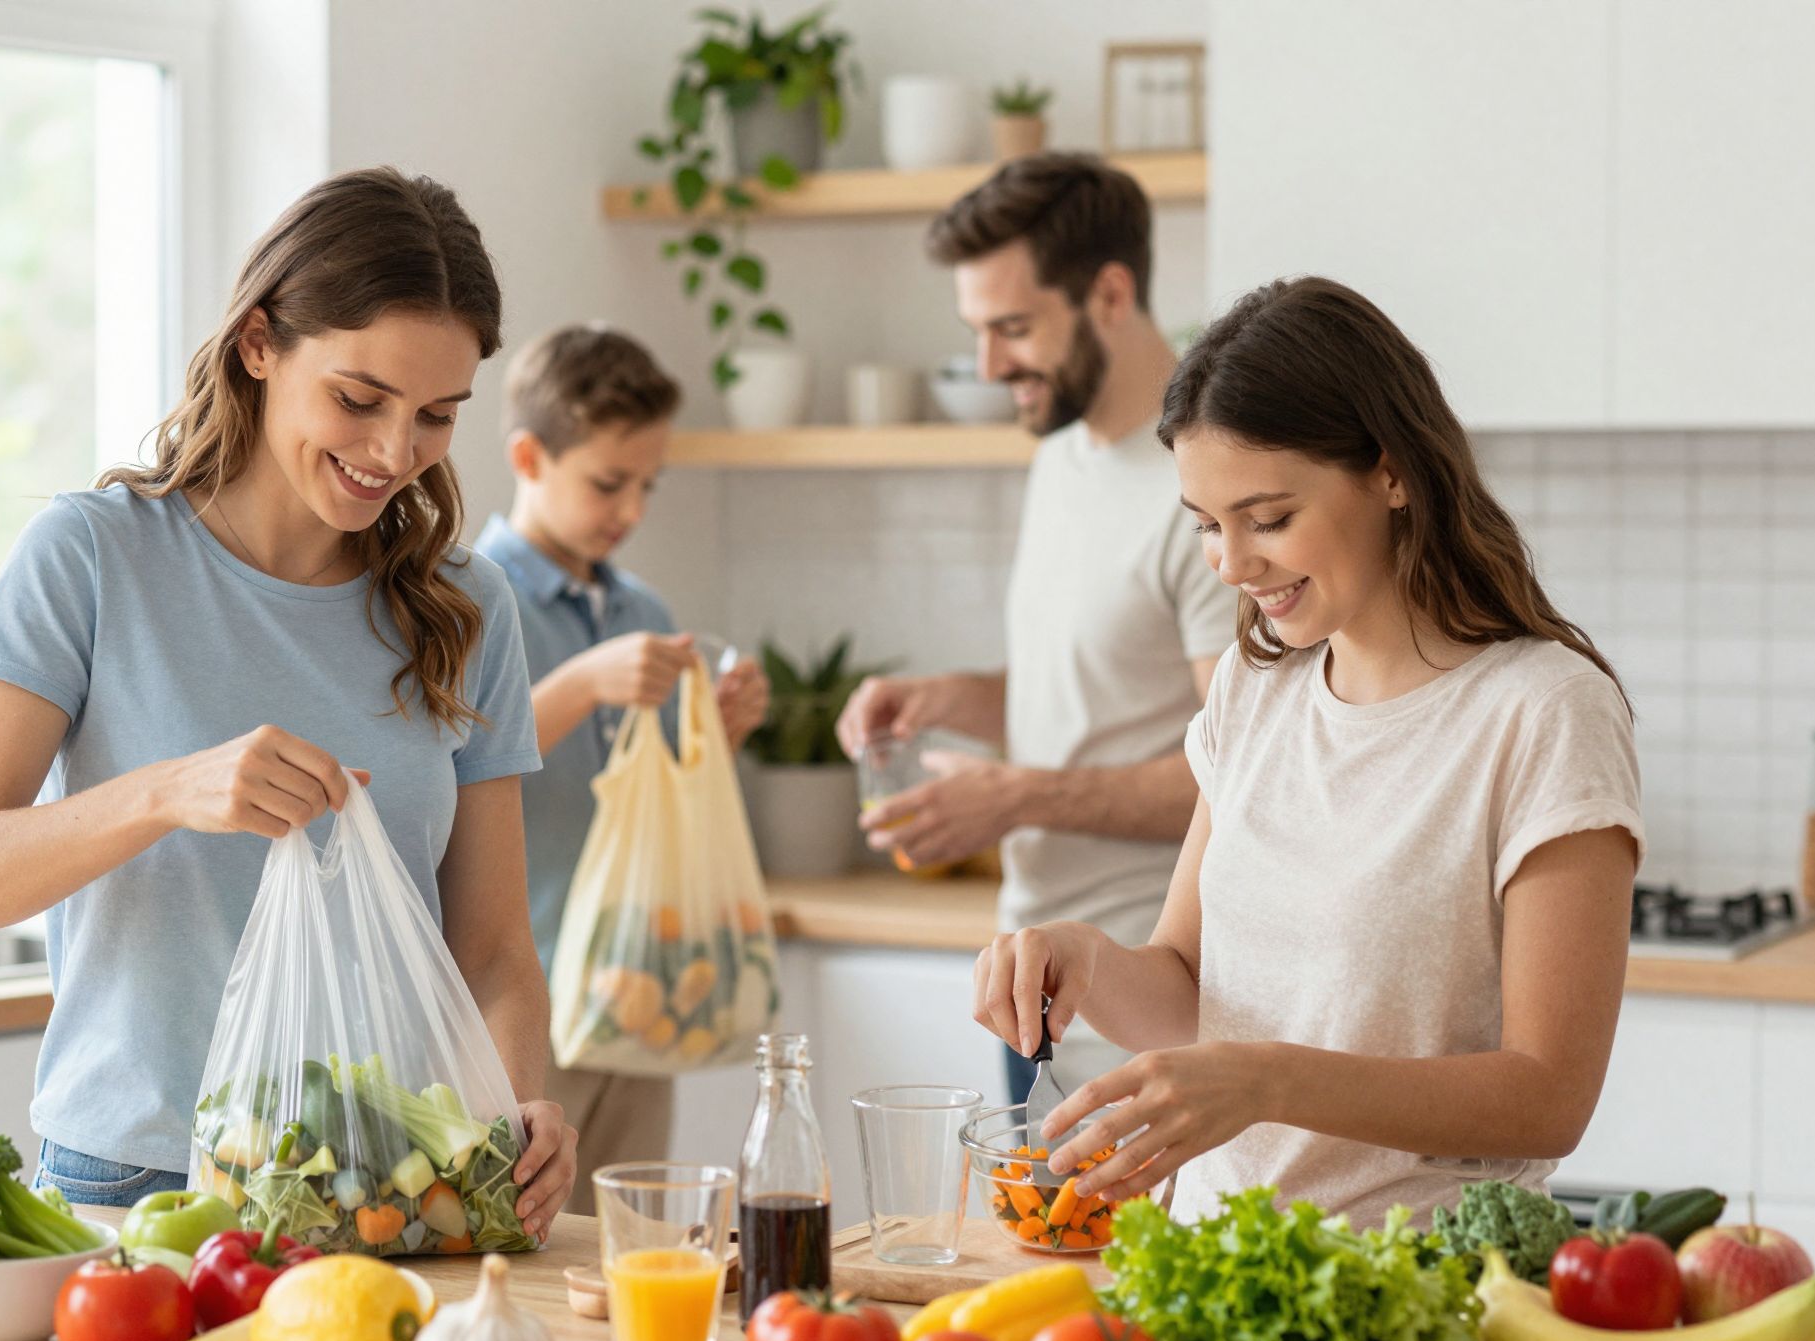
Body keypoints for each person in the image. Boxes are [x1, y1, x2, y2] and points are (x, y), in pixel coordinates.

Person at [0, 168, 577, 1235]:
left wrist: (512, 1117)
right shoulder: (93, 559)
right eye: (358, 399)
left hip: (387, 1190)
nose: (394, 454)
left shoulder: (463, 608)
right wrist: (171, 790)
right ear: (260, 344)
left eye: (436, 416)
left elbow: (492, 948)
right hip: (134, 1190)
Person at [972, 276, 1643, 1230]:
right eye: (1207, 526)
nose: (1232, 565)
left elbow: (1547, 1098)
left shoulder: (1542, 711)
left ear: (1392, 473)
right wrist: (1086, 962)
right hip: (1217, 1268)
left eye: (1268, 518)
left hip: (1416, 1289)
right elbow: (1191, 999)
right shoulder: (1257, 691)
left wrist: (1266, 1082)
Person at [836, 154, 1237, 1102]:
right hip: (1030, 978)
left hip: (1149, 995)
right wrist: (955, 700)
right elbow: (1101, 688)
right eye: (977, 331)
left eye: (1013, 328)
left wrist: (1015, 798)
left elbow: (1242, 770)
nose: (988, 367)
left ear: (1109, 292)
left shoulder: (1209, 486)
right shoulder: (1064, 457)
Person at [474, 325, 768, 1213]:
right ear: (529, 456)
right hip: (526, 994)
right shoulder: (472, 596)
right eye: (609, 483)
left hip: (645, 987)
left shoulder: (642, 607)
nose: (631, 510)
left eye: (647, 484)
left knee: (635, 1234)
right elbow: (450, 774)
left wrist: (712, 738)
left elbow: (660, 793)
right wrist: (579, 687)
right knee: (520, 1228)